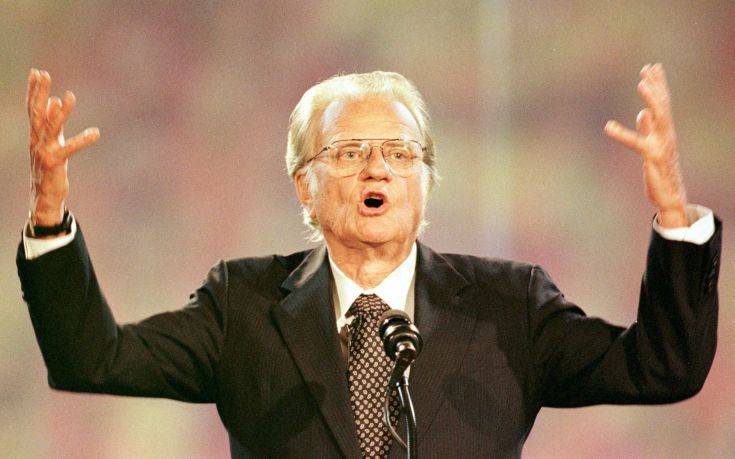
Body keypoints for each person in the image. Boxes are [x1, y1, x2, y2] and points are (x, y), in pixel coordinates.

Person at [17, 66, 721, 458]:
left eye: (399, 153)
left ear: (426, 180)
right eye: (350, 153)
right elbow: (92, 360)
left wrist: (672, 216)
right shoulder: (243, 305)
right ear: (304, 184)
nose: (376, 168)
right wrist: (50, 214)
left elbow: (660, 368)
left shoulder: (510, 306)